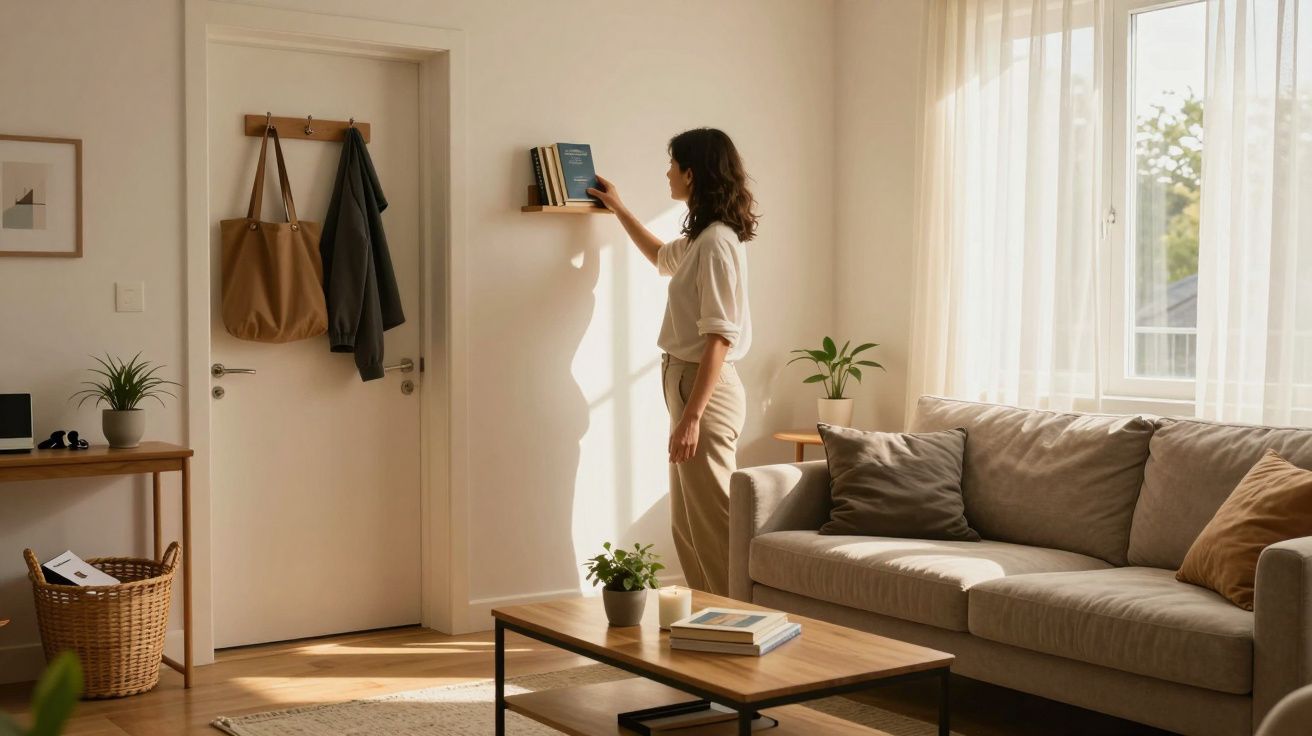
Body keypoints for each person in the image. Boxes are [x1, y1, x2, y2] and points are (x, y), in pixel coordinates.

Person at [587, 128, 758, 596]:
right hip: (685, 383)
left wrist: (693, 417)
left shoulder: (718, 242)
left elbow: (720, 336)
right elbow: (662, 257)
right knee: (687, 524)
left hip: (705, 390)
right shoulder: (704, 238)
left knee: (715, 524)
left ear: (691, 173)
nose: (667, 173)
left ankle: (742, 621)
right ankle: (709, 620)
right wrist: (619, 209)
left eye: (672, 165)